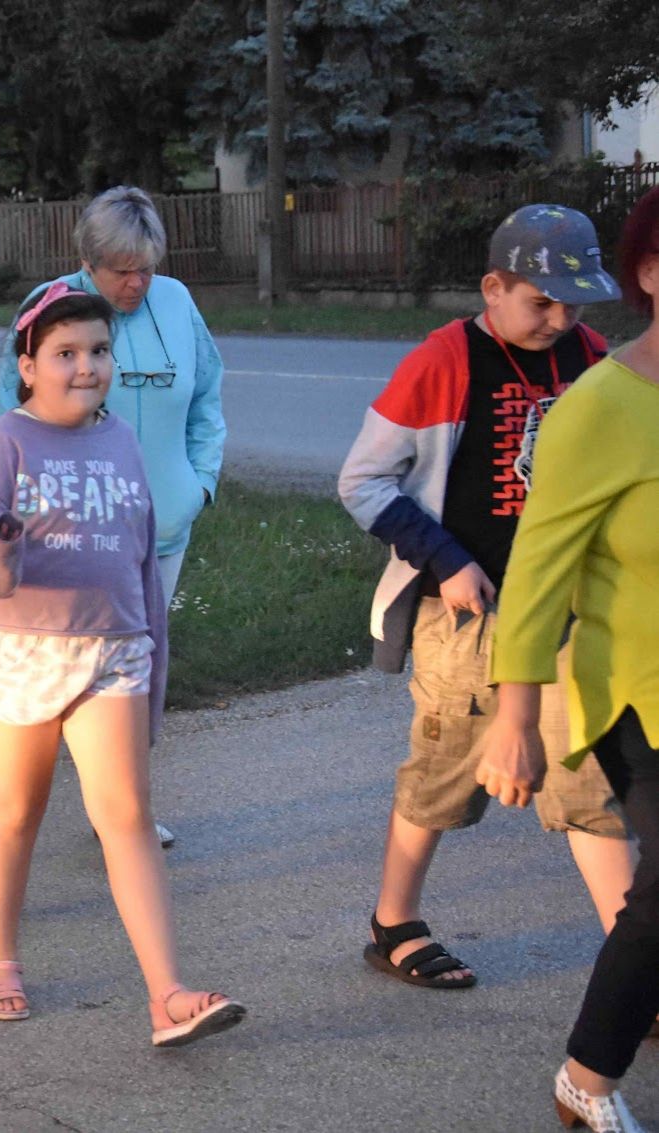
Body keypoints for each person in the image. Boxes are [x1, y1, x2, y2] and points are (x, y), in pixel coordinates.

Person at [338, 204, 634, 994]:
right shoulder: (443, 361)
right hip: (467, 613)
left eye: (573, 304)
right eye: (540, 302)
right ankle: (393, 921)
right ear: (491, 288)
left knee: (587, 779)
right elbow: (361, 481)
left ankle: (633, 963)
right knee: (444, 770)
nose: (559, 320)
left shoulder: (590, 357)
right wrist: (444, 559)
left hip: (565, 609)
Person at [0, 283, 244, 1044]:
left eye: (99, 351)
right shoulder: (5, 442)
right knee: (17, 812)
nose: (86, 367)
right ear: (28, 366)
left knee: (128, 817)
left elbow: (140, 561)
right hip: (21, 648)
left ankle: (167, 994)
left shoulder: (120, 441)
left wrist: (152, 654)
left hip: (113, 648)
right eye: (66, 353)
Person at [480, 189, 659, 1132]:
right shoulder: (598, 407)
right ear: (650, 275)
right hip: (639, 690)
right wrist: (514, 719)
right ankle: (586, 1078)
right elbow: (538, 572)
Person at [0, 186, 227, 850]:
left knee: (140, 669)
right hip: (80, 532)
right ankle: (53, 805)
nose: (135, 284)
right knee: (80, 670)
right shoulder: (51, 306)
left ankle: (123, 811)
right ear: (87, 263)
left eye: (145, 269)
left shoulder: (177, 303)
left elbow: (208, 397)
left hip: (165, 525)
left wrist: (200, 483)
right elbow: (14, 414)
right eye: (121, 271)